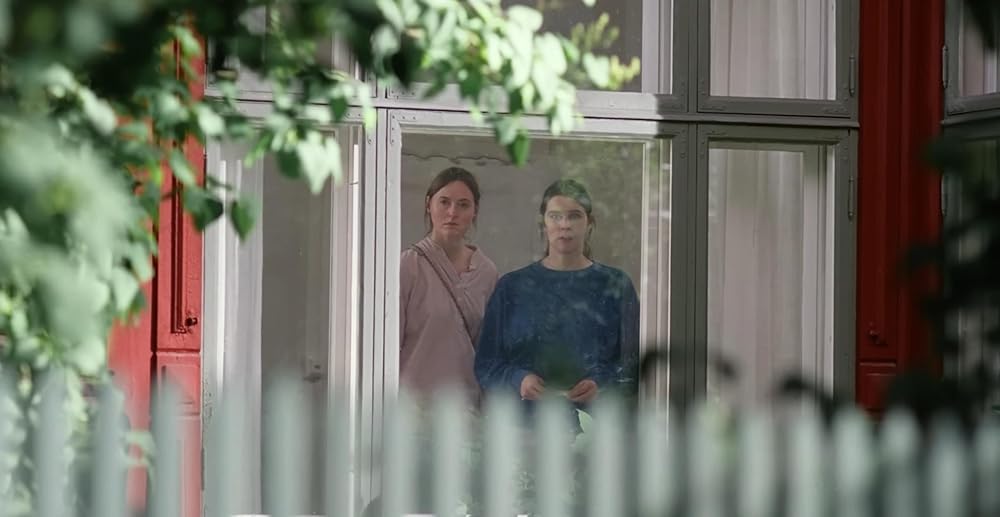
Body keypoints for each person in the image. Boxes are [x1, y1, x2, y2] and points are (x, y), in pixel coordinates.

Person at [474, 178, 640, 424]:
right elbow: (486, 365)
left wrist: (602, 383)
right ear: (543, 224)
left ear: (589, 223)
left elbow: (635, 366)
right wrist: (519, 380)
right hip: (524, 427)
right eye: (555, 216)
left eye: (574, 216)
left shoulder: (615, 286)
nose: (564, 225)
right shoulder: (512, 287)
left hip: (596, 428)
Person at [399, 167, 499, 407]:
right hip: (414, 406)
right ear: (428, 205)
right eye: (444, 202)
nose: (452, 212)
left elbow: (492, 350)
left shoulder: (487, 272)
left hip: (467, 408)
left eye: (463, 205)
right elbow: (387, 345)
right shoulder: (409, 265)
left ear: (474, 211)